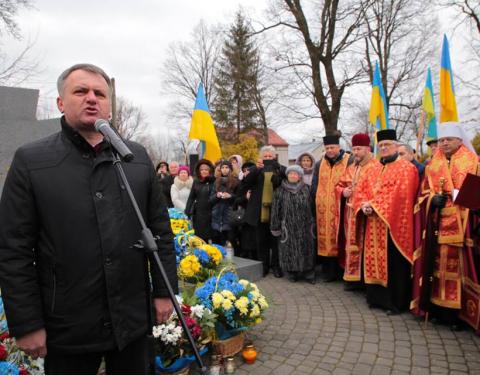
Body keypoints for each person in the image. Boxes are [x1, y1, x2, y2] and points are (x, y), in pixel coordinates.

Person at [0, 63, 177, 375]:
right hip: (67, 324)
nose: (91, 98)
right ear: (60, 102)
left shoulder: (133, 158)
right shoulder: (32, 160)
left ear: (109, 104)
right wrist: (27, 323)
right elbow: (13, 249)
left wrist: (164, 292)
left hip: (132, 321)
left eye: (100, 93)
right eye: (80, 91)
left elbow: (160, 231)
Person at [411, 122, 479, 329]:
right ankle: (439, 310)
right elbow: (422, 195)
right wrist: (432, 200)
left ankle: (459, 316)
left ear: (459, 140)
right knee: (437, 268)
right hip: (438, 226)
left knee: (460, 270)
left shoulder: (474, 162)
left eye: (448, 139)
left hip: (464, 225)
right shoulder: (433, 165)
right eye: (441, 140)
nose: (445, 143)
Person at [354, 129, 419, 314]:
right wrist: (363, 205)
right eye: (380, 145)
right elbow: (361, 190)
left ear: (396, 145)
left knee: (394, 263)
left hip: (393, 226)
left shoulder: (407, 168)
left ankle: (395, 303)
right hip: (372, 224)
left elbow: (402, 196)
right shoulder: (373, 168)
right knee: (372, 260)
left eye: (387, 145)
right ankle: (376, 299)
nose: (383, 148)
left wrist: (374, 205)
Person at [335, 133, 380, 290]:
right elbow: (338, 185)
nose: (355, 152)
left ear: (368, 149)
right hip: (350, 214)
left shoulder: (376, 167)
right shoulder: (352, 167)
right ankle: (352, 279)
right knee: (350, 244)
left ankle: (363, 280)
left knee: (364, 246)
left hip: (366, 213)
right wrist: (343, 192)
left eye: (359, 149)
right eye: (353, 149)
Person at [311, 134, 352, 282]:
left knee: (340, 238)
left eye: (332, 147)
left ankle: (342, 272)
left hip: (341, 207)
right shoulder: (319, 163)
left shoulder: (349, 160)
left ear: (339, 147)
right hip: (323, 209)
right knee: (325, 240)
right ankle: (328, 272)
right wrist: (315, 199)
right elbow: (315, 184)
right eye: (327, 148)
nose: (329, 150)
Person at [243, 145, 286, 277]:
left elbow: (283, 185)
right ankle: (264, 266)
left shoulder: (281, 169)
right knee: (261, 241)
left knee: (275, 241)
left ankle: (276, 266)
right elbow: (246, 184)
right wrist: (256, 169)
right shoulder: (255, 169)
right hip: (259, 211)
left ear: (274, 157)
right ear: (261, 157)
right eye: (265, 156)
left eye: (270, 156)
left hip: (276, 210)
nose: (268, 158)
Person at [271, 165, 315, 283]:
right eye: (290, 173)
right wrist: (275, 227)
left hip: (305, 226)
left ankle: (308, 273)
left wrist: (314, 223)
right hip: (288, 227)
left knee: (307, 249)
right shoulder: (280, 191)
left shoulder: (307, 188)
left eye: (295, 174)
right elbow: (275, 210)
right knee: (290, 250)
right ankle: (292, 273)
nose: (293, 175)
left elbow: (313, 207)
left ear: (300, 176)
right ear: (287, 175)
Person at [210, 160, 239, 246]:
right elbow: (211, 200)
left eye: (227, 167)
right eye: (222, 167)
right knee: (216, 245)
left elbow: (239, 198)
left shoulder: (236, 182)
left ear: (230, 169)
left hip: (230, 217)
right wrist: (217, 196)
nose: (224, 169)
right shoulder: (216, 182)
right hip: (217, 217)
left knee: (230, 244)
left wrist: (230, 196)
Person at [185, 159, 215, 243]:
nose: (204, 171)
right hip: (199, 214)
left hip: (211, 214)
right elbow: (191, 197)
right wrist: (187, 211)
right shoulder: (196, 182)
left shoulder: (214, 181)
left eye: (206, 169)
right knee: (200, 238)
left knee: (213, 238)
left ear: (210, 170)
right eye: (202, 169)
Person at [235, 161, 257, 259]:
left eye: (249, 170)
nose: (247, 172)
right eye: (244, 171)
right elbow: (236, 200)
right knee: (246, 239)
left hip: (256, 216)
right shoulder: (241, 184)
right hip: (245, 216)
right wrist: (245, 197)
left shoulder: (258, 182)